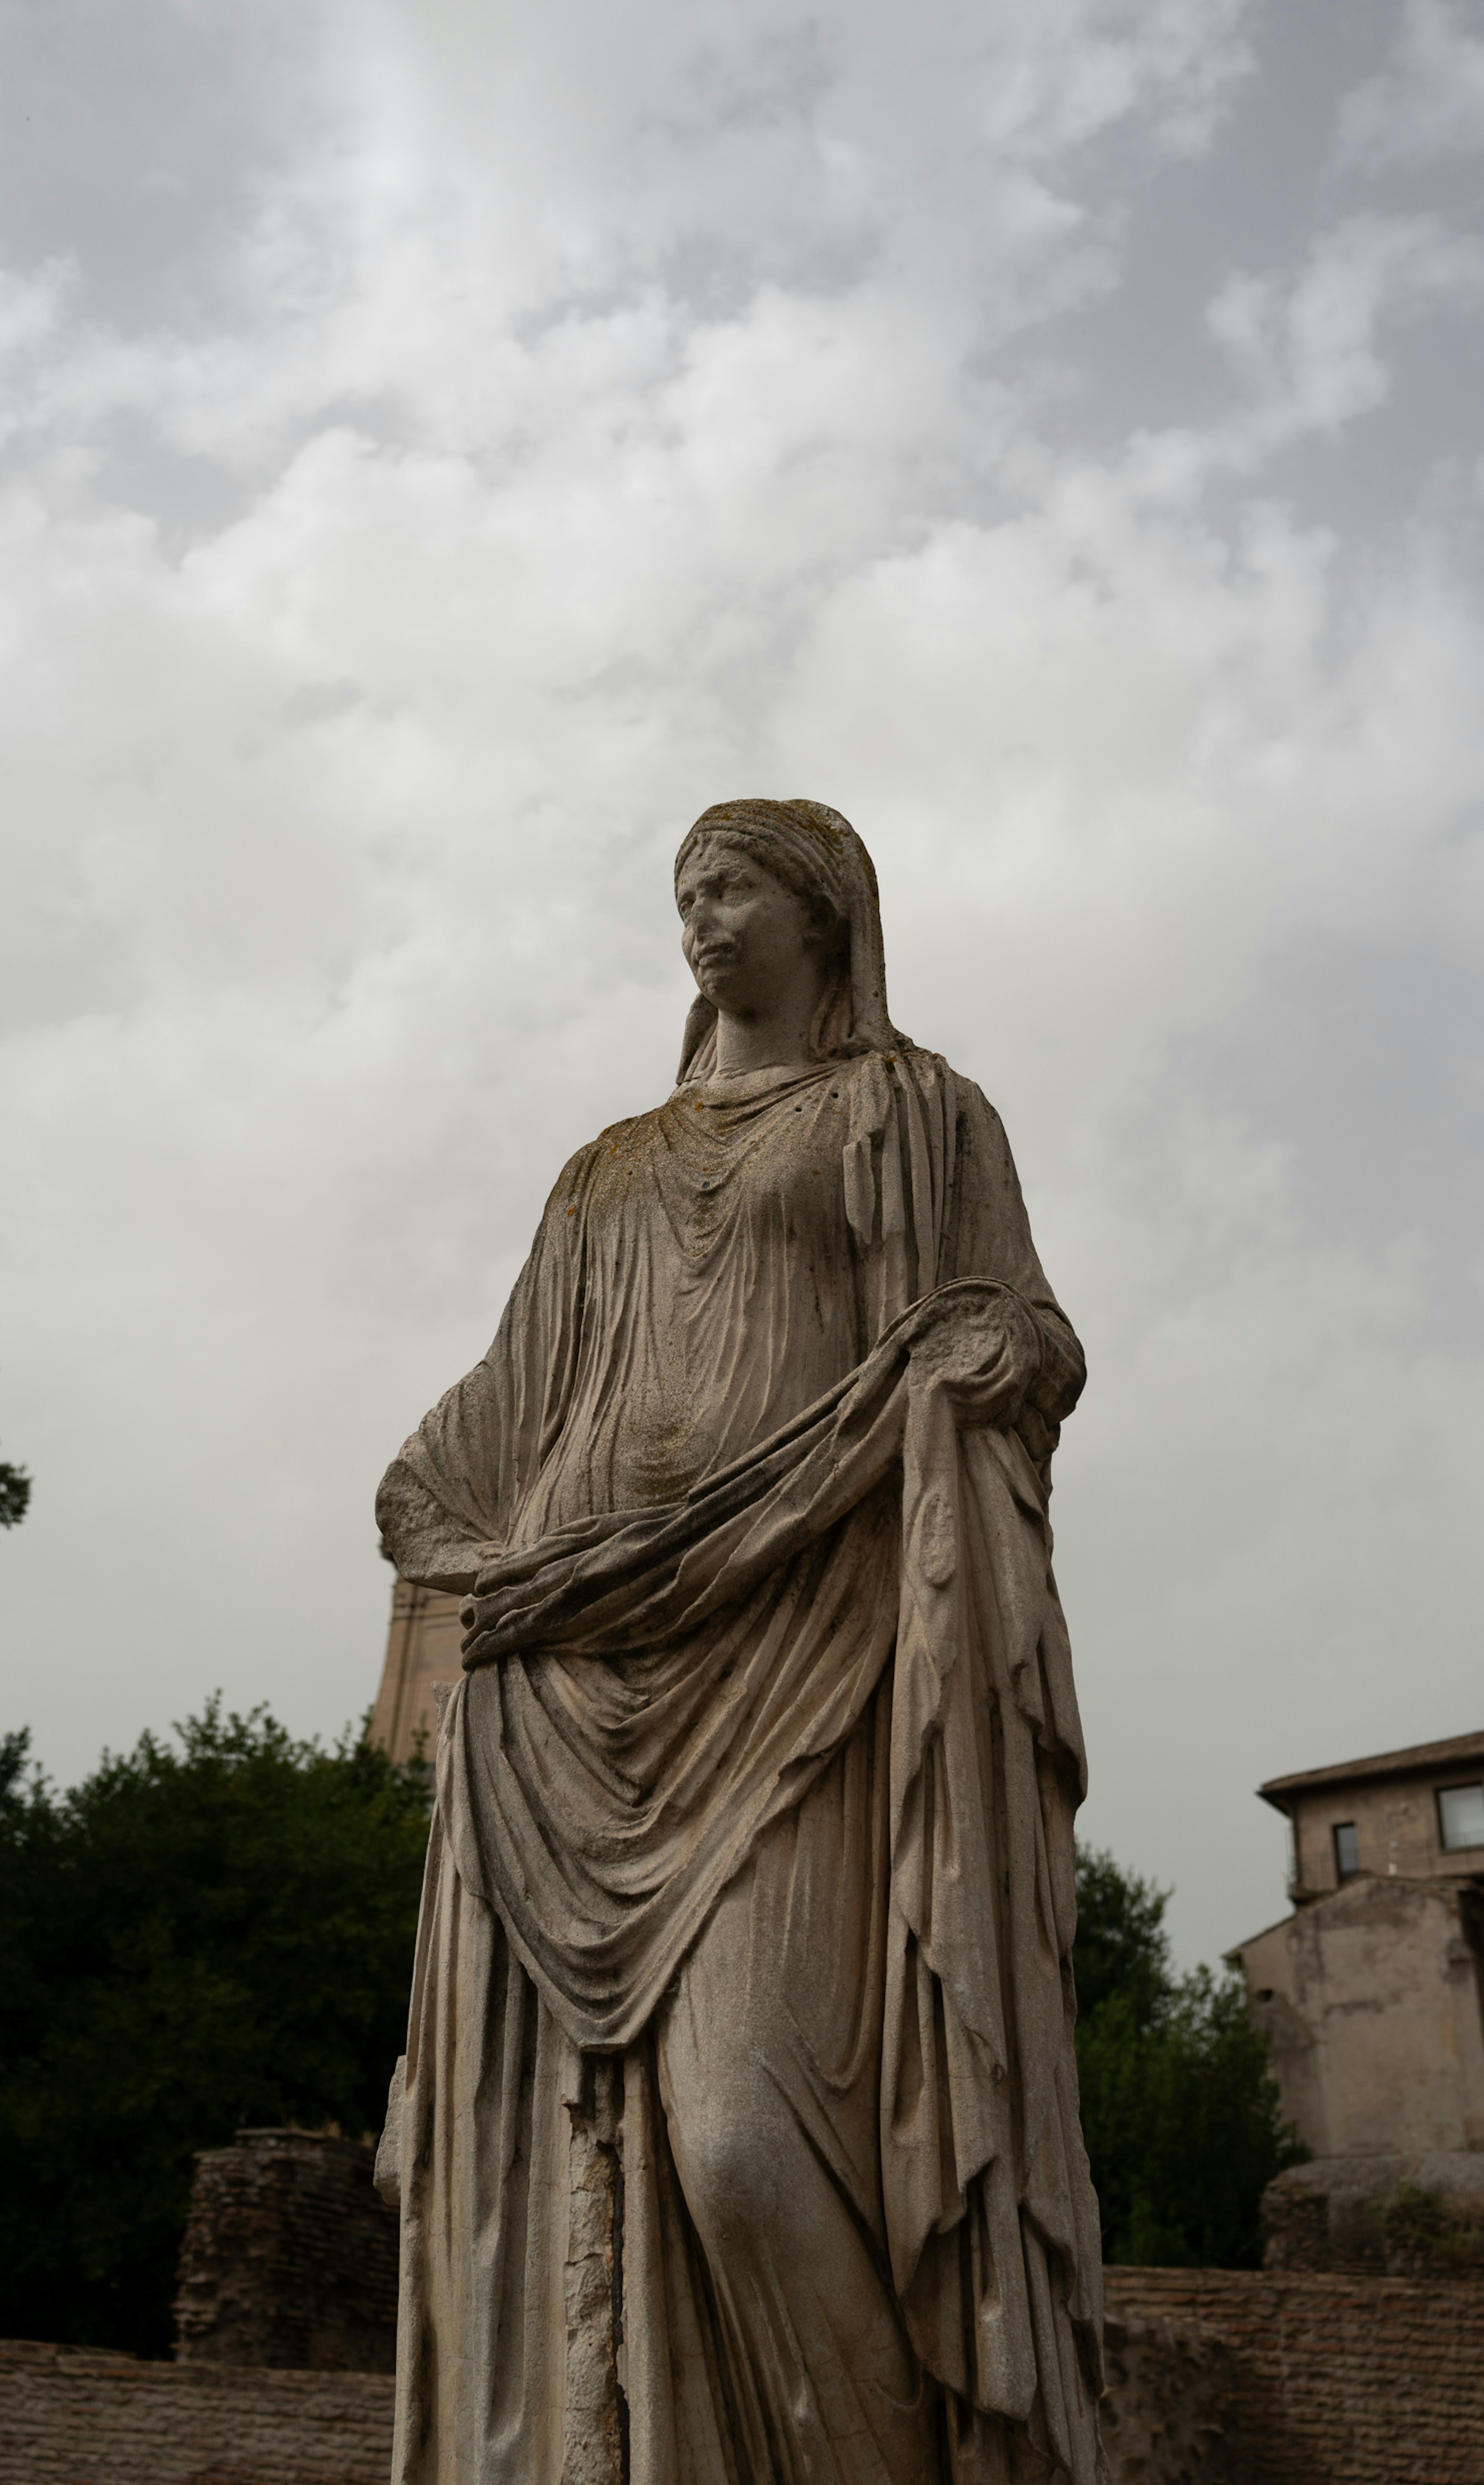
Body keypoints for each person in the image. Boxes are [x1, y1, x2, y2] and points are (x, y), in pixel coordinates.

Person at [378, 799, 1106, 2485]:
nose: (702, 916)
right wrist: (476, 1548)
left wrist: (992, 1353)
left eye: (735, 885)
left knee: (746, 2146)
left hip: (804, 1648)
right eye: (684, 892)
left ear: (826, 910)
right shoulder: (603, 1169)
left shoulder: (912, 1111)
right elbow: (483, 1421)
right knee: (555, 2170)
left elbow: (1022, 1324)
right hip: (566, 1685)